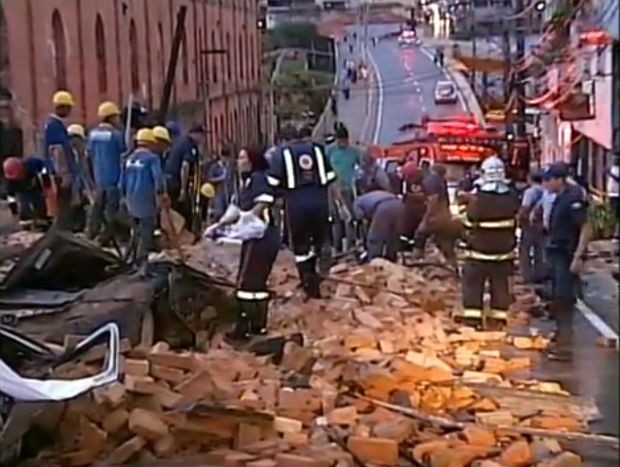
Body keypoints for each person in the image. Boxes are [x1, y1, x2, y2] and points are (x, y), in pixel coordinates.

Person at [205, 146, 279, 340]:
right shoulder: (246, 183)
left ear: (252, 161)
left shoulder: (258, 178)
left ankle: (245, 328)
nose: (239, 162)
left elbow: (265, 200)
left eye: (242, 158)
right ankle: (257, 325)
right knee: (256, 283)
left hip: (261, 237)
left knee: (246, 283)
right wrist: (218, 225)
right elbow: (235, 209)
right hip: (257, 237)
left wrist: (250, 217)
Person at [267, 125, 337, 298]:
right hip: (320, 201)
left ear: (283, 140)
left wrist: (277, 197)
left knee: (301, 247)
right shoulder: (318, 150)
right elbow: (329, 177)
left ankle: (309, 284)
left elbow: (272, 181)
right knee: (322, 240)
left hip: (296, 203)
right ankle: (324, 276)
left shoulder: (281, 154)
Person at [455, 156, 520, 329]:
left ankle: (473, 320)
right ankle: (498, 320)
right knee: (500, 286)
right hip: (503, 253)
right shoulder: (512, 198)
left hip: (479, 253)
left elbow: (467, 221)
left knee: (472, 286)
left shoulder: (479, 200)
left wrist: (463, 206)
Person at [542, 162, 590, 361]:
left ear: (559, 179)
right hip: (556, 253)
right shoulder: (561, 197)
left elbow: (586, 227)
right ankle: (561, 337)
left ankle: (565, 346)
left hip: (566, 254)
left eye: (548, 180)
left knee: (564, 298)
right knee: (557, 296)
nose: (545, 184)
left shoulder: (573, 198)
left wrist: (578, 256)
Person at [119, 128, 166, 271]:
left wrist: (124, 198)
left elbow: (122, 182)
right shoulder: (152, 159)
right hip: (146, 200)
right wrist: (161, 196)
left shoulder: (128, 159)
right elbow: (158, 179)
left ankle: (130, 258)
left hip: (131, 199)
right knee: (146, 231)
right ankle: (141, 262)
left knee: (135, 231)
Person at [86, 102, 126, 241]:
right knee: (111, 212)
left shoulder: (92, 134)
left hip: (99, 178)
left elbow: (89, 156)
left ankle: (91, 234)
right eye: (116, 116)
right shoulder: (116, 135)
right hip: (113, 178)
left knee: (96, 209)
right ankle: (108, 238)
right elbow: (123, 156)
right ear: (110, 117)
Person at [43, 91, 79, 230]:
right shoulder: (55, 126)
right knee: (64, 206)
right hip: (61, 174)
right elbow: (58, 151)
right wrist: (64, 174)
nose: (69, 111)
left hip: (58, 173)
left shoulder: (52, 125)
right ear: (61, 107)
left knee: (63, 206)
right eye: (68, 107)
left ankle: (61, 231)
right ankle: (61, 233)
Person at [164, 124, 205, 228]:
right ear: (195, 134)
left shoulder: (180, 143)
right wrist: (183, 189)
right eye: (202, 135)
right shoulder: (190, 146)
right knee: (183, 212)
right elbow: (185, 166)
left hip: (169, 181)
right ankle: (185, 236)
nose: (203, 138)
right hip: (177, 183)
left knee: (175, 212)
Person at [327, 125, 360, 251]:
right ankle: (337, 246)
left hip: (348, 189)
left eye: (344, 141)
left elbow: (361, 167)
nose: (342, 143)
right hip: (333, 189)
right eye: (340, 141)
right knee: (335, 219)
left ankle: (350, 245)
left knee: (349, 218)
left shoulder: (354, 152)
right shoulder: (330, 151)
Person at [353, 190, 404, 262]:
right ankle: (391, 258)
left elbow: (364, 222)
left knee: (375, 237)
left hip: (383, 208)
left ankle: (374, 260)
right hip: (399, 204)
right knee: (392, 235)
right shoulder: (370, 196)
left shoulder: (356, 204)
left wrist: (366, 240)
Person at [413, 162, 450, 258]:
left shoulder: (431, 180)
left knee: (420, 234)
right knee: (443, 242)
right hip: (444, 215)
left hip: (436, 216)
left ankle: (416, 258)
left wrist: (426, 219)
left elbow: (433, 200)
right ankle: (451, 265)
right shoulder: (441, 180)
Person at [2, 156, 49, 228]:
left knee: (40, 204)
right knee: (25, 207)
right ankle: (27, 224)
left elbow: (44, 167)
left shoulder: (31, 163)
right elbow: (11, 197)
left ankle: (43, 222)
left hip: (36, 188)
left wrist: (46, 182)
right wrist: (14, 212)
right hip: (23, 192)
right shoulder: (10, 182)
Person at [518, 170, 545, 283]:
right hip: (542, 223)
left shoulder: (530, 192)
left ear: (530, 179)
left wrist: (519, 218)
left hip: (530, 224)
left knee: (525, 250)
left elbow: (525, 208)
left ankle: (527, 276)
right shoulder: (546, 191)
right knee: (540, 250)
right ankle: (540, 274)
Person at [607, 157, 619, 236]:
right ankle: (612, 232)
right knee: (612, 214)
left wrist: (611, 174)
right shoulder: (613, 168)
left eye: (616, 159)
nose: (614, 160)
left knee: (616, 214)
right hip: (611, 194)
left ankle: (616, 233)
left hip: (618, 194)